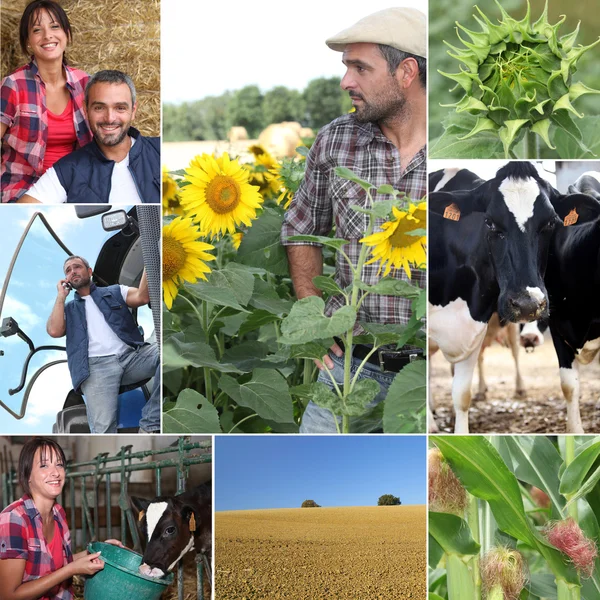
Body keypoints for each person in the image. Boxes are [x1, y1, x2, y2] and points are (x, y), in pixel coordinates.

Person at [281, 7, 427, 433]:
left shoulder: (455, 157)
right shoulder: (337, 140)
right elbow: (301, 229)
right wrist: (314, 317)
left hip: (431, 374)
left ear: (406, 72)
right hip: (349, 365)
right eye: (347, 67)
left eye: (360, 68)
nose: (347, 82)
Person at [46, 256, 160, 433]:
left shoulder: (115, 291)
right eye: (68, 271)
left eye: (77, 267)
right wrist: (61, 296)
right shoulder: (68, 309)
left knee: (167, 350)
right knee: (103, 429)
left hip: (131, 357)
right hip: (96, 368)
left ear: (89, 271)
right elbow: (54, 331)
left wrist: (149, 258)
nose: (72, 271)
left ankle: (151, 422)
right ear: (66, 280)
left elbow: (142, 296)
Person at [0, 438, 124, 600]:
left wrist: (98, 551)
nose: (56, 472)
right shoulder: (13, 520)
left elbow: (61, 562)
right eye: (44, 465)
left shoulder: (58, 513)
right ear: (27, 474)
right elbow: (8, 595)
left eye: (59, 464)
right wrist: (71, 570)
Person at [17, 70, 160, 204]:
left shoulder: (160, 151)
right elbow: (21, 213)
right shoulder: (68, 169)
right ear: (85, 110)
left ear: (133, 111)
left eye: (120, 108)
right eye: (99, 108)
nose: (109, 118)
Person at [1, 0, 92, 203]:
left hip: (74, 184)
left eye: (54, 26)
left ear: (67, 34)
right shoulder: (13, 85)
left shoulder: (85, 83)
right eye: (37, 30)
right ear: (27, 41)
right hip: (25, 187)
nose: (47, 35)